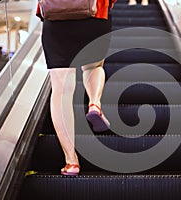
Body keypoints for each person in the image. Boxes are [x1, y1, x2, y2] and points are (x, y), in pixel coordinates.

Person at [36, 0, 116, 176]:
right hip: (95, 15)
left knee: (61, 88)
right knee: (93, 67)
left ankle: (71, 161)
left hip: (55, 17)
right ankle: (94, 103)